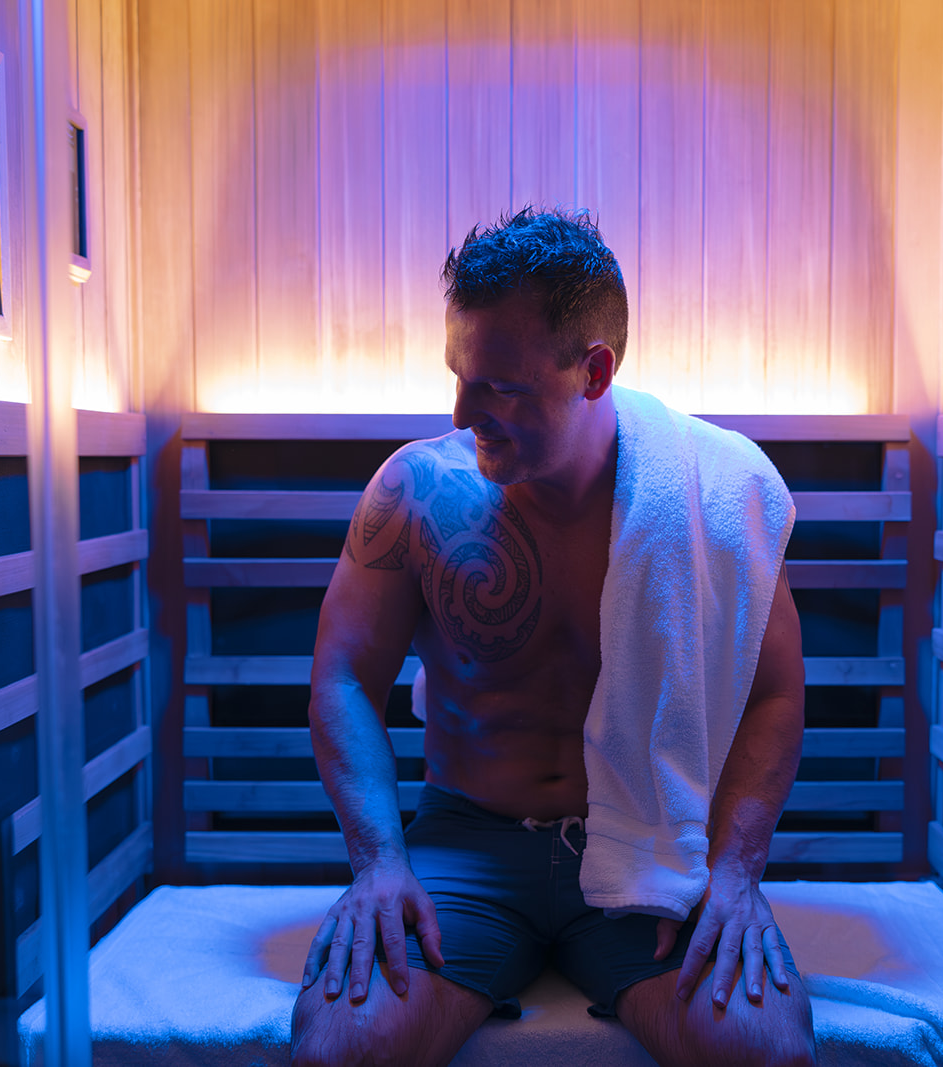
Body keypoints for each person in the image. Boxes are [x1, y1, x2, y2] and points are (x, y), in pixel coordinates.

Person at [290, 207, 815, 1067]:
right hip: (468, 840)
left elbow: (775, 692)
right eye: (456, 375)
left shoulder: (707, 496)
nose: (463, 411)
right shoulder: (418, 493)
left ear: (594, 370)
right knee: (340, 1049)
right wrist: (379, 861)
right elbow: (345, 675)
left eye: (499, 385)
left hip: (653, 844)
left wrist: (736, 870)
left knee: (765, 1050)